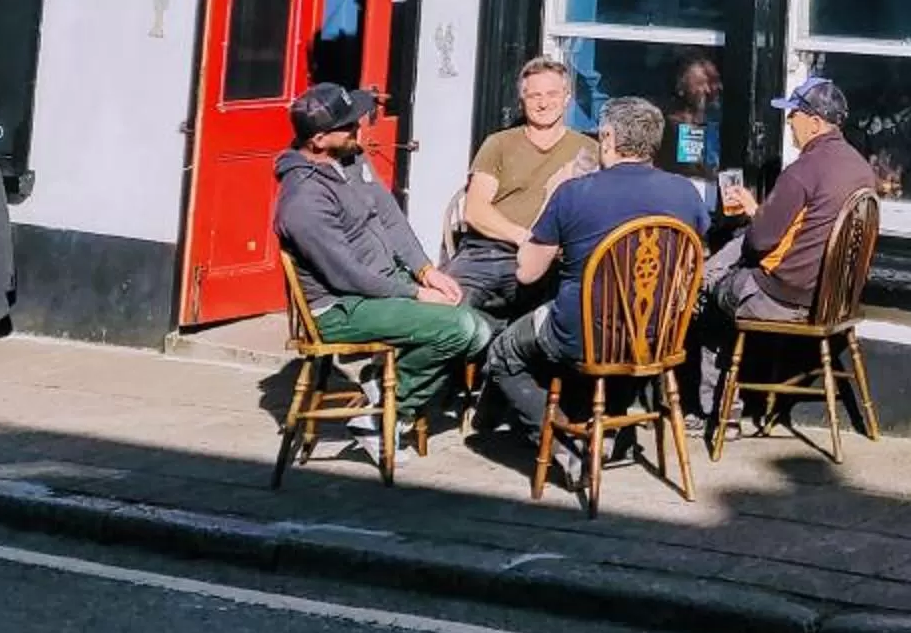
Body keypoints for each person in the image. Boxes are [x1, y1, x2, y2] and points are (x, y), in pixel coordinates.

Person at [477, 96, 707, 435]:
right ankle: (608, 429)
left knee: (503, 352)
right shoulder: (686, 192)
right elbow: (693, 259)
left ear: (610, 138)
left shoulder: (573, 192)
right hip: (657, 335)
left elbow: (527, 272)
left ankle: (563, 444)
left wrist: (550, 194)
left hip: (583, 335)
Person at [271, 81, 490, 428]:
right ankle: (384, 414)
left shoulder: (350, 156)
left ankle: (381, 386)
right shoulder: (303, 202)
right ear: (319, 140)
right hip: (340, 306)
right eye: (348, 124)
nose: (359, 125)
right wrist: (417, 293)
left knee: (479, 324)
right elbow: (348, 275)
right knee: (459, 328)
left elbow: (389, 216)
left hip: (383, 285)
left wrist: (425, 270)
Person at [697, 75, 877, 411]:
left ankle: (719, 412)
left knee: (712, 294)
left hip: (786, 299)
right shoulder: (861, 168)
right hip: (836, 301)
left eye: (793, 114)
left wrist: (754, 215)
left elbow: (761, 239)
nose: (789, 121)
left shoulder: (803, 170)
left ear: (814, 122)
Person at [443, 57, 598, 315]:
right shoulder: (499, 144)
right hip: (488, 252)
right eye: (534, 95)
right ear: (522, 101)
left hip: (553, 259)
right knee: (447, 309)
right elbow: (475, 211)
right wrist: (524, 237)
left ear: (567, 97)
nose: (544, 103)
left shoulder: (587, 150)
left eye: (552, 94)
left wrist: (543, 247)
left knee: (558, 319)